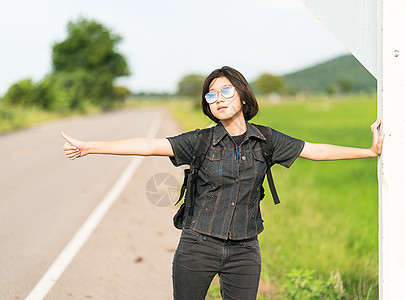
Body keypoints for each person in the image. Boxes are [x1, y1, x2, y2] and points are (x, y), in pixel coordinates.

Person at [62, 66, 384, 300]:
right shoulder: (200, 141)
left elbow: (315, 151)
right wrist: (91, 146)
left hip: (245, 250)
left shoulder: (266, 140)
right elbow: (148, 145)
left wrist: (369, 151)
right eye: (211, 95)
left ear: (243, 97)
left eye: (226, 91)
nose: (218, 99)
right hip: (197, 246)